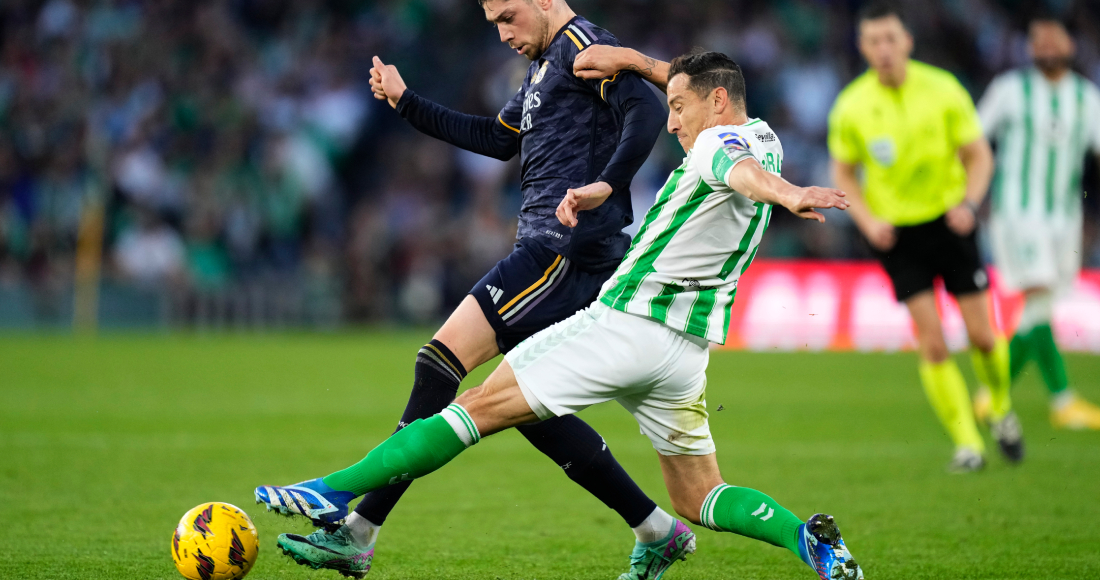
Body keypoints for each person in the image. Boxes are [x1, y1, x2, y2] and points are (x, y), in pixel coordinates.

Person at [259, 50, 864, 580]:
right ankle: (806, 539)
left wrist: (790, 195)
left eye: (679, 107)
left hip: (626, 324)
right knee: (700, 495)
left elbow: (736, 167)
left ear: (718, 101)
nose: (672, 121)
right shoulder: (769, 138)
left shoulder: (717, 144)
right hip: (685, 355)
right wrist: (636, 60)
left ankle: (335, 494)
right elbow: (724, 127)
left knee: (472, 406)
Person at [253, 0, 675, 577]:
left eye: (508, 16)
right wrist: (406, 103)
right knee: (529, 407)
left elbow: (647, 111)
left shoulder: (584, 48)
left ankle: (357, 524)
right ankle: (655, 529)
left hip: (564, 251)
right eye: (493, 22)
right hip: (552, 248)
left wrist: (606, 184)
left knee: (440, 363)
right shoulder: (545, 62)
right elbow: (496, 138)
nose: (502, 33)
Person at [826, 3, 1020, 472]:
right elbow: (844, 173)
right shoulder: (852, 105)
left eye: (892, 39)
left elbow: (978, 156)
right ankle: (967, 444)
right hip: (897, 235)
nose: (885, 49)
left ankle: (999, 407)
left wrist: (970, 206)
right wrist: (868, 221)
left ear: (907, 41)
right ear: (863, 47)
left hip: (951, 224)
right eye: (875, 41)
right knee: (932, 344)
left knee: (983, 338)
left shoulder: (944, 89)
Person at [975, 15, 1100, 430]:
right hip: (1018, 213)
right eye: (1038, 40)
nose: (1046, 47)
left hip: (1065, 219)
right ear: (1029, 48)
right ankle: (1060, 400)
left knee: (1039, 307)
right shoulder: (1010, 91)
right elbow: (972, 141)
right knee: (1039, 296)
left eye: (1054, 39)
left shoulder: (1086, 98)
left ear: (1070, 44)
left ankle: (994, 393)